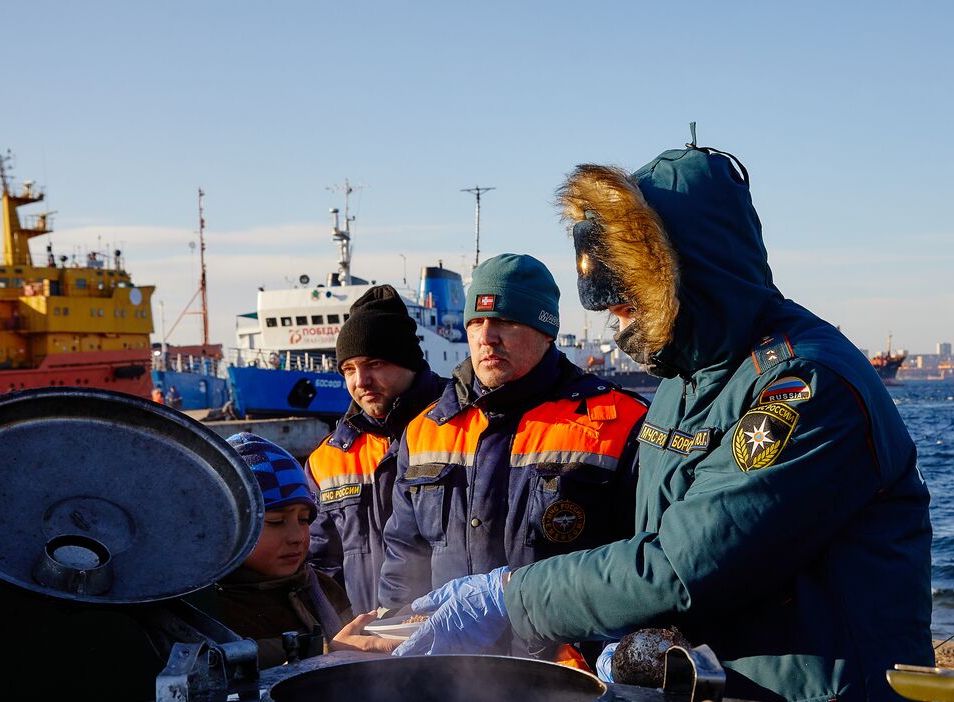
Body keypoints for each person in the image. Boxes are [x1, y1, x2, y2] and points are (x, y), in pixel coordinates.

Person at [395, 146, 934, 702]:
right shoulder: (684, 381)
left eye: (628, 304)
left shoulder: (803, 382)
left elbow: (684, 566)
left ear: (681, 276)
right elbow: (646, 537)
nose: (616, 323)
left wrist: (512, 597)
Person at [376, 254, 647, 664]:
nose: (487, 337)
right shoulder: (424, 430)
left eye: (506, 321)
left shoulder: (618, 421)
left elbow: (643, 559)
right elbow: (403, 557)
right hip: (449, 677)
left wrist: (615, 651)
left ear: (545, 330)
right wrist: (399, 632)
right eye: (475, 323)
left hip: (566, 676)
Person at [305, 284, 446, 616]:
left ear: (408, 362)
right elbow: (321, 565)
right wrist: (337, 634)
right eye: (349, 370)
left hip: (455, 643)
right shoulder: (328, 460)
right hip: (366, 650)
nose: (360, 380)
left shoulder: (463, 430)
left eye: (375, 363)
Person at [210, 433, 359, 668]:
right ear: (229, 528)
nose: (297, 537)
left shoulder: (322, 587)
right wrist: (333, 650)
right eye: (276, 521)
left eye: (303, 520)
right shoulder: (214, 611)